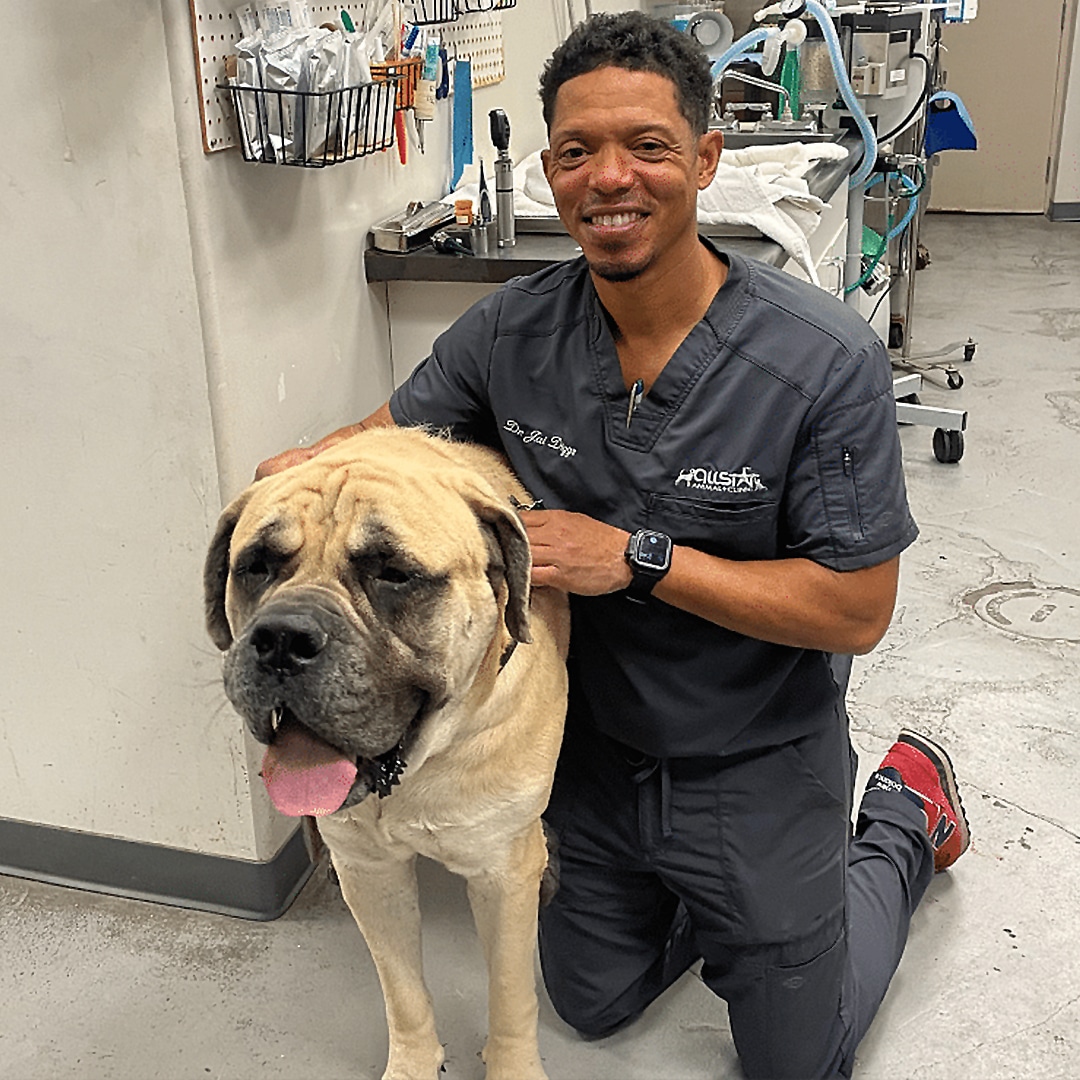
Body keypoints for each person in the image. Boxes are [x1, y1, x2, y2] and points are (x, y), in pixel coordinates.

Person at [256, 12, 970, 1078]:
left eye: (647, 146)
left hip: (753, 750)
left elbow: (856, 609)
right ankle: (723, 906)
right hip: (595, 753)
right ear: (549, 170)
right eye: (578, 152)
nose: (610, 180)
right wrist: (291, 484)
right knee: (589, 1004)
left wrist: (638, 558)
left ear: (706, 159)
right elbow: (387, 444)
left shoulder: (821, 362)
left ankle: (905, 813)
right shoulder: (510, 333)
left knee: (795, 1060)